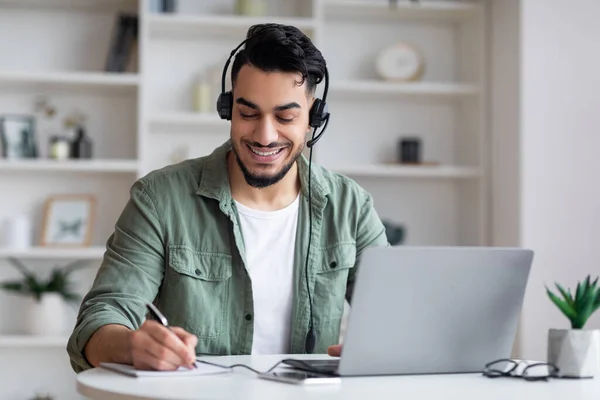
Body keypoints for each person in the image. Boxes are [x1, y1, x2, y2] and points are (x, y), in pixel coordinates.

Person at [67, 23, 388, 373]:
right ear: (227, 108)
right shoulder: (159, 199)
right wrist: (132, 346)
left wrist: (379, 349)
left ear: (313, 116)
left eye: (285, 116)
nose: (265, 136)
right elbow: (98, 323)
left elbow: (396, 319)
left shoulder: (351, 207)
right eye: (247, 113)